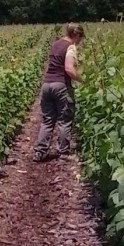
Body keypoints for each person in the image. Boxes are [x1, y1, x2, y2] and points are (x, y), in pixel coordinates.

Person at [33, 23, 84, 162]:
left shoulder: (55, 44)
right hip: (61, 85)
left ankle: (40, 152)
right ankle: (63, 152)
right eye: (80, 38)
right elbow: (69, 69)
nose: (80, 42)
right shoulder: (70, 47)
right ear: (76, 35)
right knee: (64, 119)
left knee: (47, 120)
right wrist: (82, 79)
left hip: (46, 85)